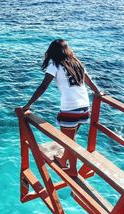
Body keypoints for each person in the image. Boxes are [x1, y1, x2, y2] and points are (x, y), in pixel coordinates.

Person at [22, 39, 101, 177]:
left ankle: (73, 170)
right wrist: (98, 92)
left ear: (52, 52)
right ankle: (64, 160)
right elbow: (88, 80)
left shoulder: (55, 65)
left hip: (70, 110)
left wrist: (28, 105)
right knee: (71, 138)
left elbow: (43, 86)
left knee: (69, 142)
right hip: (84, 108)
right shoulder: (77, 63)